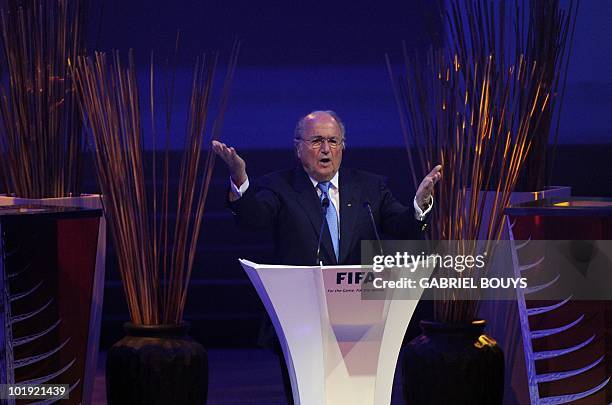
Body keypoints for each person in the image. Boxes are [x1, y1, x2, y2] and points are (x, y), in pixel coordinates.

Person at [212, 110, 441, 403]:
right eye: (317, 140)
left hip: (361, 317)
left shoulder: (369, 187)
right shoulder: (280, 186)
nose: (325, 149)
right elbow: (252, 218)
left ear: (343, 147)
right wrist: (239, 178)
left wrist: (419, 204)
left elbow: (403, 227)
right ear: (298, 147)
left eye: (333, 141)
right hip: (301, 321)